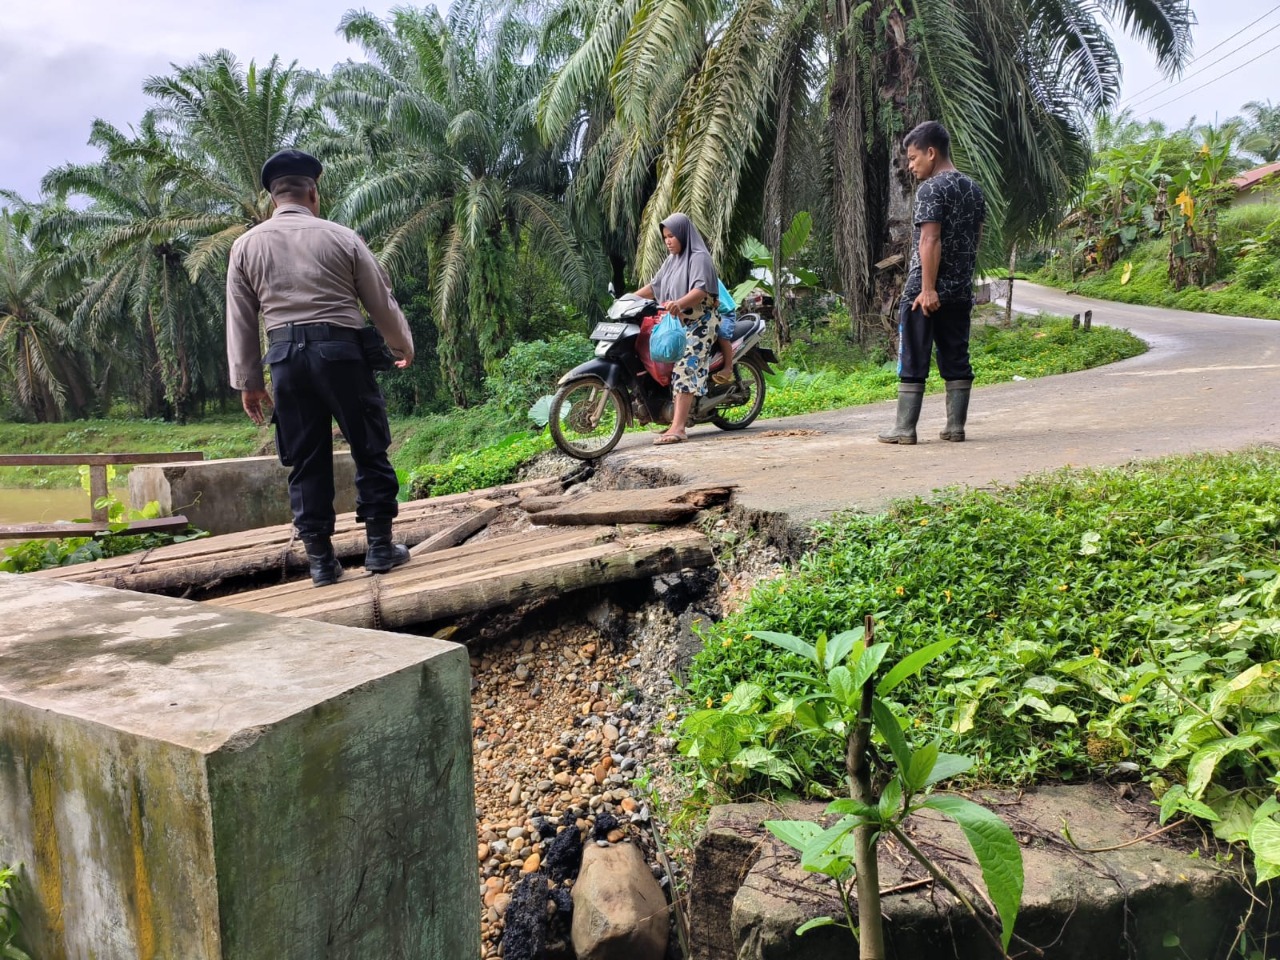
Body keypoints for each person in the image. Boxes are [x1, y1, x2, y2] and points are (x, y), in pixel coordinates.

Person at [226, 148, 416, 587]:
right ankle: (381, 550)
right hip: (342, 355)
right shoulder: (342, 237)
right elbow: (380, 301)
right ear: (312, 192)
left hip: (285, 360)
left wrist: (249, 383)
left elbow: (240, 319)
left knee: (306, 459)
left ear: (274, 197)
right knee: (369, 447)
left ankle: (320, 562)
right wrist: (401, 345)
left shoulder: (245, 246)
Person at [879, 120, 986, 445]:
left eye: (913, 158)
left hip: (924, 292)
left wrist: (927, 289)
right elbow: (974, 240)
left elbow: (930, 240)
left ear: (931, 152)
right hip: (958, 290)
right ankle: (955, 427)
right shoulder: (974, 189)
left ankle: (904, 428)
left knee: (914, 355)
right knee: (956, 354)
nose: (910, 166)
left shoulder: (931, 189)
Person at [633, 213, 719, 445]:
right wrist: (629, 299)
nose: (668, 241)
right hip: (678, 322)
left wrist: (679, 303)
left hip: (701, 322)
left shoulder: (699, 258)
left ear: (683, 234)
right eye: (665, 238)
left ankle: (679, 428)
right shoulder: (672, 259)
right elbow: (655, 286)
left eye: (672, 236)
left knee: (684, 366)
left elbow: (700, 290)